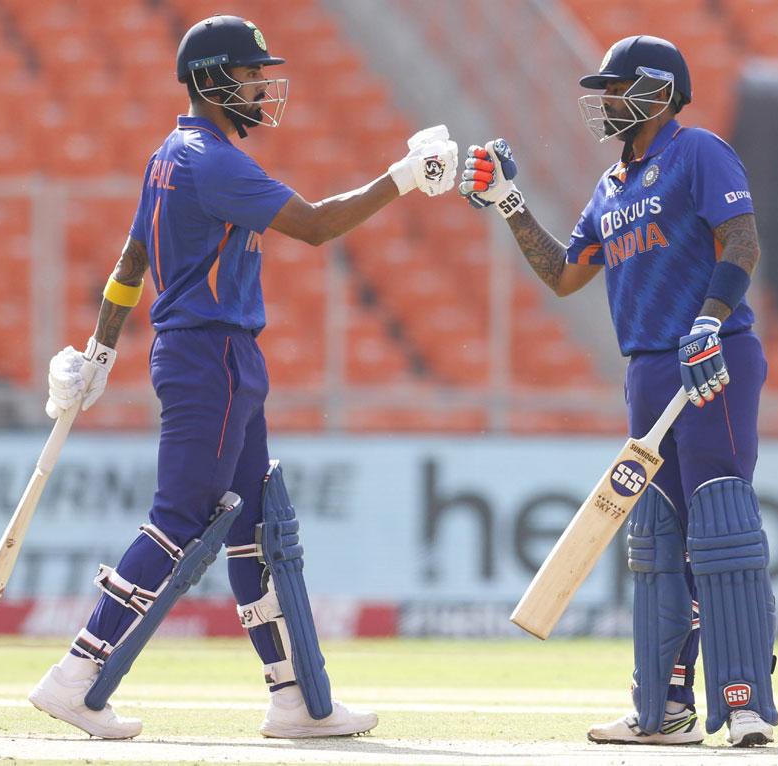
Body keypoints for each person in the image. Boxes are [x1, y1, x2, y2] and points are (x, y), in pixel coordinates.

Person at [27, 14, 458, 740]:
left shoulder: (170, 153)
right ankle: (76, 673)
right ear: (211, 80)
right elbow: (317, 225)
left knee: (255, 528)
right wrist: (404, 177)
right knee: (179, 518)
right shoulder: (213, 160)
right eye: (251, 73)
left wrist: (101, 353)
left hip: (215, 354)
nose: (263, 84)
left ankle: (293, 699)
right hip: (211, 355)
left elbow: (131, 263)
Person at [459, 35, 778, 747]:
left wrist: (709, 320)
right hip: (647, 370)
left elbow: (742, 241)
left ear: (659, 92)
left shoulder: (699, 153)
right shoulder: (610, 186)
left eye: (615, 87)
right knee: (660, 541)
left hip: (712, 356)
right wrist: (509, 200)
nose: (602, 100)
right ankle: (663, 709)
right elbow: (567, 274)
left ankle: (745, 700)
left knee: (719, 528)